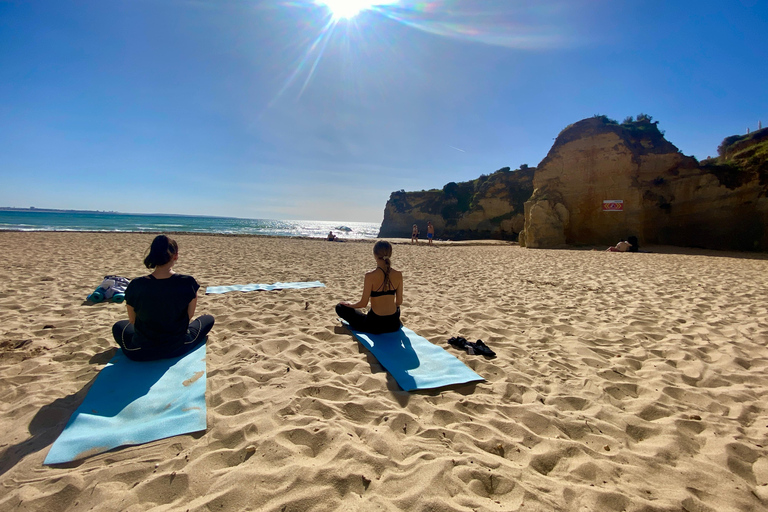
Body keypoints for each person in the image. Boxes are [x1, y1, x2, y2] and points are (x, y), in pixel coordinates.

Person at [112, 234, 215, 361]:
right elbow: (189, 316)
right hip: (177, 347)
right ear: (175, 256)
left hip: (140, 351)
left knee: (119, 326)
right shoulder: (187, 282)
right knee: (208, 319)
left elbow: (132, 320)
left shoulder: (136, 284)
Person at [335, 240, 403, 334]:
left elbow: (363, 303)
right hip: (393, 324)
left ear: (375, 255)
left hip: (374, 325)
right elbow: (399, 302)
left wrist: (350, 305)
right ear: (390, 254)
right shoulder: (398, 274)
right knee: (397, 309)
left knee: (340, 307)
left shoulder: (370, 276)